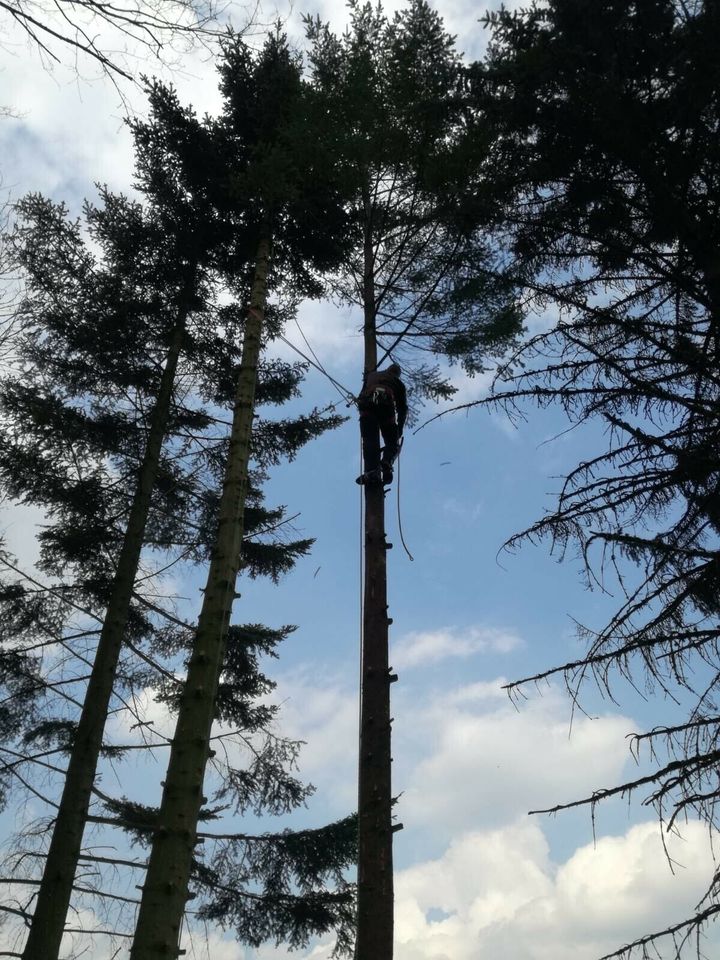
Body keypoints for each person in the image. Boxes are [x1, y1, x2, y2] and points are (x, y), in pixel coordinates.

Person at [355, 362, 407, 486]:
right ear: (397, 374)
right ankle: (387, 462)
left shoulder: (372, 376)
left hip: (367, 408)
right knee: (392, 442)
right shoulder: (398, 383)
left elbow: (362, 394)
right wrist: (399, 429)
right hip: (385, 408)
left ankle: (372, 472)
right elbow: (402, 409)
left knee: (369, 441)